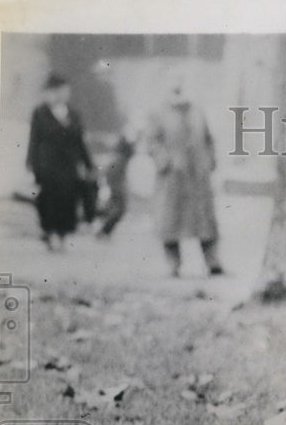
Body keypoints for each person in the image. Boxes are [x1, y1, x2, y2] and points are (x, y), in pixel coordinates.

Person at [146, 72, 223, 277]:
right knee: (170, 221)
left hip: (197, 174)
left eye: (181, 84)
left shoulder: (197, 110)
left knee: (205, 221)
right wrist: (165, 161)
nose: (178, 89)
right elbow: (152, 142)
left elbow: (208, 138)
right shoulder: (159, 112)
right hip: (173, 176)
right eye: (173, 86)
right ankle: (173, 264)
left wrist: (210, 160)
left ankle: (212, 262)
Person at [25, 73, 95, 251]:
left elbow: (80, 142)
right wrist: (31, 166)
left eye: (66, 91)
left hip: (68, 167)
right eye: (58, 91)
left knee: (67, 201)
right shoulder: (40, 113)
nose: (63, 94)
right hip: (47, 166)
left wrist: (88, 164)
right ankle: (50, 234)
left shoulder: (73, 114)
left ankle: (62, 235)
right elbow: (34, 140)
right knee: (48, 201)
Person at [95, 126, 137, 239]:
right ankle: (104, 230)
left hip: (116, 186)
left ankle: (105, 230)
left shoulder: (119, 158)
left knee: (116, 209)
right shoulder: (120, 159)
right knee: (119, 209)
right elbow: (110, 173)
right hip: (117, 187)